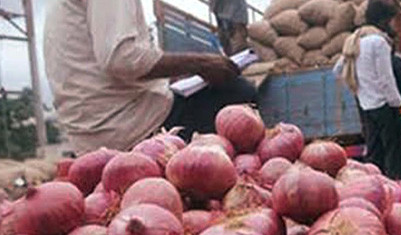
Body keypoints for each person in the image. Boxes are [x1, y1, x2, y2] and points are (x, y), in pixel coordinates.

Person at [44, 0, 258, 153]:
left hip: (90, 133)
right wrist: (201, 64)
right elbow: (121, 58)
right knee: (237, 93)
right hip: (130, 126)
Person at [337, 0, 401, 179]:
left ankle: (372, 183)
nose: (393, 26)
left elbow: (339, 68)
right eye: (391, 21)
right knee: (393, 151)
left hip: (365, 106)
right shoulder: (379, 42)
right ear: (383, 21)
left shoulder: (355, 41)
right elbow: (386, 81)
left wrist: (361, 87)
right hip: (384, 105)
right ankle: (394, 185)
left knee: (374, 150)